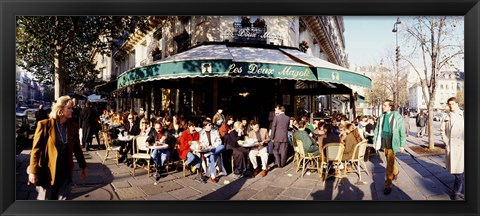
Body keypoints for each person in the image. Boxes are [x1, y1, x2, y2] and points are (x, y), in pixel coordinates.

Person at [27, 95, 87, 200]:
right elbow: (36, 150)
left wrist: (83, 166)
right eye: (69, 108)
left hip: (65, 171)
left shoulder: (73, 127)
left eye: (72, 108)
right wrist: (33, 171)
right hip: (48, 172)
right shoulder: (45, 125)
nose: (72, 110)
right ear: (60, 110)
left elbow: (77, 148)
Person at [373, 99, 406, 195]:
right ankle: (396, 172)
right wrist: (375, 141)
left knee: (389, 164)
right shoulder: (382, 116)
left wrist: (402, 144)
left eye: (385, 105)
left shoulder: (397, 117)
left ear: (390, 107)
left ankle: (388, 185)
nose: (383, 106)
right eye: (383, 105)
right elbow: (377, 130)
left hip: (393, 141)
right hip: (384, 140)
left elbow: (402, 131)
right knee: (389, 160)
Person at [440, 97, 464, 200]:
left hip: (462, 146)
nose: (451, 106)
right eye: (449, 104)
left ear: (457, 104)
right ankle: (457, 192)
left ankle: (457, 192)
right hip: (453, 147)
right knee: (458, 173)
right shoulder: (446, 116)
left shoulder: (463, 115)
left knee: (460, 173)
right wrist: (447, 143)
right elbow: (442, 131)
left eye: (453, 104)